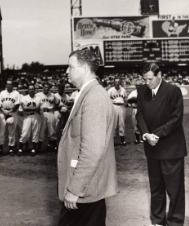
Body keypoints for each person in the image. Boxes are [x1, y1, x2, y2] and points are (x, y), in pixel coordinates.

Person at [57, 48, 117, 226]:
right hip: (88, 188)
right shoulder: (88, 93)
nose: (67, 71)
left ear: (83, 68)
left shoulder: (94, 97)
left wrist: (75, 189)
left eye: (70, 66)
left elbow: (92, 150)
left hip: (85, 190)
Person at [136, 62, 187, 226]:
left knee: (175, 190)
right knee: (156, 188)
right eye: (145, 79)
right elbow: (140, 116)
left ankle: (175, 221)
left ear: (159, 76)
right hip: (152, 147)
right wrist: (145, 134)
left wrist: (155, 135)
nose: (147, 83)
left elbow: (176, 118)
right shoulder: (142, 91)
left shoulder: (173, 91)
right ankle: (158, 221)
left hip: (171, 149)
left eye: (150, 79)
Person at [0, 80, 20, 154]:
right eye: (7, 84)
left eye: (10, 84)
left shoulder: (16, 93)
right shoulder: (2, 93)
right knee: (1, 131)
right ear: (6, 85)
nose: (9, 86)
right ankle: (0, 148)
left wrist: (10, 111)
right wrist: (3, 111)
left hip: (12, 113)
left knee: (12, 132)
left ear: (12, 85)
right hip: (3, 113)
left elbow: (17, 104)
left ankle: (11, 148)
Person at [17, 84, 41, 155]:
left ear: (34, 90)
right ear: (28, 90)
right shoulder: (24, 98)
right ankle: (20, 148)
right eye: (30, 89)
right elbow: (21, 111)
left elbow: (38, 109)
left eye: (32, 89)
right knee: (25, 133)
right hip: (27, 117)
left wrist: (27, 109)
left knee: (35, 133)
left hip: (36, 116)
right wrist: (31, 109)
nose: (31, 90)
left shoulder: (38, 98)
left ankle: (33, 149)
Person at [107, 78, 128, 145]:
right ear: (114, 83)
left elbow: (126, 98)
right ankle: (112, 140)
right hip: (114, 106)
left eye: (118, 82)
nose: (117, 83)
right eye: (116, 82)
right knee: (114, 123)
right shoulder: (110, 90)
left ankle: (122, 139)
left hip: (122, 107)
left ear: (120, 83)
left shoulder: (123, 90)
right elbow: (107, 99)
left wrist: (125, 103)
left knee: (122, 123)